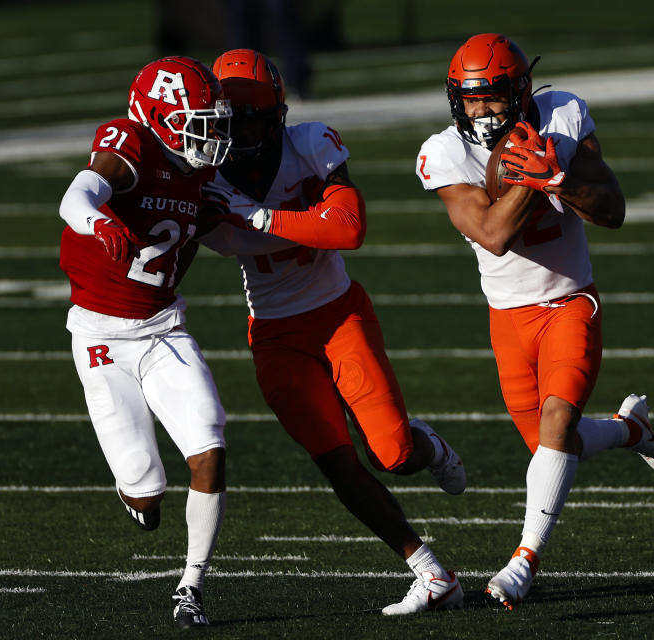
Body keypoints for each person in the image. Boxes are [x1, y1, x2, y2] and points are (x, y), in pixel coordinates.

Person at [197, 48, 465, 615]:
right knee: (336, 461)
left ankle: (430, 445)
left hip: (337, 312)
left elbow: (348, 229)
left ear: (278, 117)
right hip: (274, 333)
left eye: (254, 118)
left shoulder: (310, 146)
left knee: (392, 454)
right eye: (233, 119)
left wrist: (256, 216)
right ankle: (430, 571)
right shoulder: (200, 176)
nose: (244, 131)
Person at [415, 33, 654, 609]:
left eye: (492, 98)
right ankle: (633, 430)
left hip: (569, 302)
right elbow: (493, 234)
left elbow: (614, 208)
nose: (480, 110)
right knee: (554, 447)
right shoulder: (443, 152)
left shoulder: (564, 115)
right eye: (470, 98)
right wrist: (531, 175)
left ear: (522, 90)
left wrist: (561, 179)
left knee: (557, 427)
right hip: (507, 319)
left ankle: (522, 562)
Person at [57, 56, 233, 629]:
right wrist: (98, 222)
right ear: (159, 117)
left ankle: (191, 588)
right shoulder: (129, 143)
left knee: (209, 441)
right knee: (146, 491)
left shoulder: (202, 170)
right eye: (196, 120)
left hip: (163, 329)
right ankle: (136, 495)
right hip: (102, 337)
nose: (209, 133)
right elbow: (76, 197)